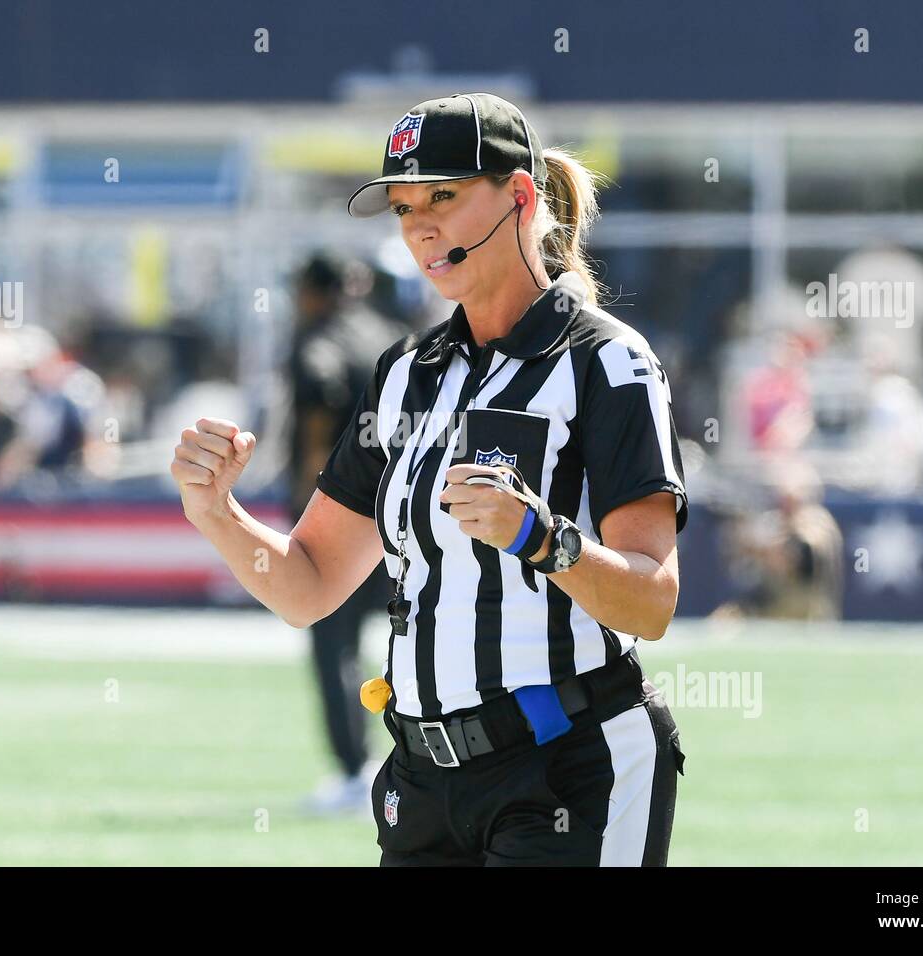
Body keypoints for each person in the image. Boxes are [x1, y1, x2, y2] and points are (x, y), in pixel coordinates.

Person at [171, 92, 688, 866]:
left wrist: (541, 538)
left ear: (519, 196)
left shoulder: (607, 362)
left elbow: (652, 602)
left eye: (444, 196)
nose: (421, 226)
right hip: (422, 782)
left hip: (565, 767)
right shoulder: (407, 375)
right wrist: (216, 512)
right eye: (405, 207)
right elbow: (308, 587)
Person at [287, 252, 402, 815]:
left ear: (313, 291)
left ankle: (357, 771)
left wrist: (314, 498)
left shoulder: (318, 339)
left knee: (333, 644)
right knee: (413, 640)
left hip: (344, 516)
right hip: (405, 518)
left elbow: (319, 397)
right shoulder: (391, 336)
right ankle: (410, 762)